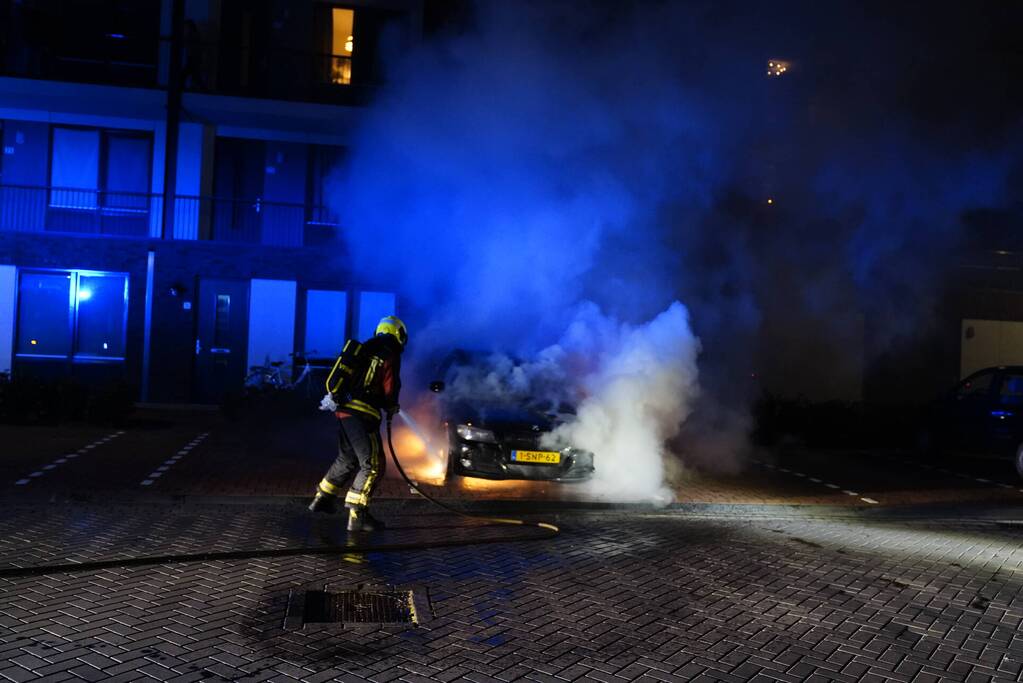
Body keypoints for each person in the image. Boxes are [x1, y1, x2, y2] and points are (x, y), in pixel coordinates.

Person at [308, 316, 406, 532]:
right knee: (373, 465)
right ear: (399, 334)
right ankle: (358, 514)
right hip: (364, 414)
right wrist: (391, 405)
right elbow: (390, 386)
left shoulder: (364, 348)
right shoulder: (390, 352)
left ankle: (322, 498)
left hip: (344, 411)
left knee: (347, 458)